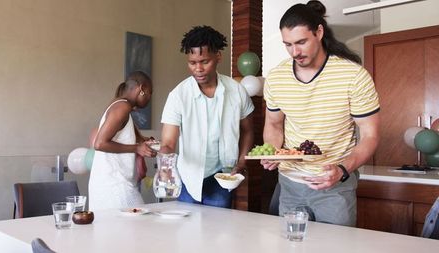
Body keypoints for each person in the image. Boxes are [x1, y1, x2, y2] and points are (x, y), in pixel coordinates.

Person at [262, 0, 380, 226]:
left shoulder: (353, 76)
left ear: (319, 32)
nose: (294, 52)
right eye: (287, 44)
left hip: (335, 187)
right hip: (290, 184)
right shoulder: (276, 78)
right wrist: (274, 151)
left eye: (301, 42)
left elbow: (370, 136)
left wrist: (342, 169)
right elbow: (274, 125)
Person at [160, 25, 255, 208]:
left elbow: (248, 130)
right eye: (192, 63)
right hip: (189, 177)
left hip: (223, 176)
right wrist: (165, 166)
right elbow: (168, 143)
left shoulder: (236, 91)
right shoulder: (178, 95)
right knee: (188, 232)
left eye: (204, 61)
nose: (198, 69)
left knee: (219, 234)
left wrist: (241, 162)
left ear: (218, 56)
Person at [89, 71, 156, 211]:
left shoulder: (122, 106)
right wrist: (137, 148)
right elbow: (100, 143)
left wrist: (146, 143)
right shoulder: (122, 107)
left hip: (112, 183)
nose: (150, 97)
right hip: (114, 186)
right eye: (150, 92)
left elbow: (126, 138)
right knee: (139, 226)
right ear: (141, 88)